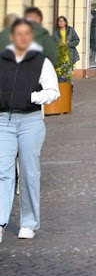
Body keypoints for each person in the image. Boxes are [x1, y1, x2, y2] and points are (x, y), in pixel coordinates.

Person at [0, 18, 60, 239]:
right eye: (18, 34)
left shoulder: (41, 62)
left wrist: (33, 97)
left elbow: (54, 91)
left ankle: (29, 222)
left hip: (30, 122)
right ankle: (0, 221)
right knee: (2, 172)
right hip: (3, 120)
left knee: (28, 172)